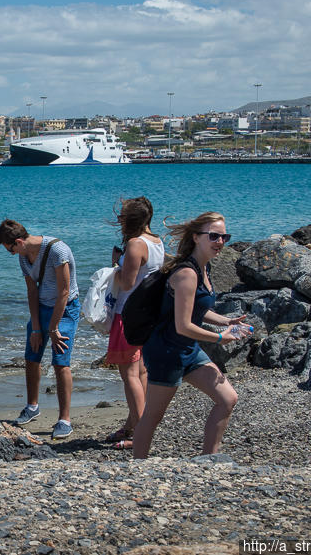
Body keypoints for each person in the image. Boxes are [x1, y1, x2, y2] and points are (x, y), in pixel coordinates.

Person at [132, 211, 245, 459]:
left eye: (224, 236)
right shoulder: (187, 273)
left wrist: (227, 321)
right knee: (152, 417)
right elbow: (183, 325)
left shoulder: (204, 268)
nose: (220, 242)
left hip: (187, 349)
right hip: (166, 351)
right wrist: (219, 338)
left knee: (227, 399)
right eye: (214, 236)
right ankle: (137, 468)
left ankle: (208, 460)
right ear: (196, 237)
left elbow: (196, 310)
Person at [0, 219, 80, 440]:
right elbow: (32, 291)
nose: (11, 254)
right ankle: (32, 406)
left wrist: (53, 328)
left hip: (65, 308)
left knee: (61, 362)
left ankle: (64, 420)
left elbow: (64, 290)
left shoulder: (57, 250)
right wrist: (36, 328)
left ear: (19, 242)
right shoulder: (23, 257)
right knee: (32, 356)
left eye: (10, 248)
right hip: (41, 306)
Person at [104, 196, 166, 449]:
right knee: (141, 372)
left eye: (122, 217)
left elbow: (128, 282)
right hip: (148, 313)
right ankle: (133, 424)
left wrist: (115, 264)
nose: (119, 222)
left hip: (128, 313)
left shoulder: (135, 244)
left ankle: (140, 431)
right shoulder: (157, 241)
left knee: (129, 374)